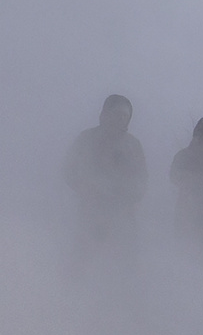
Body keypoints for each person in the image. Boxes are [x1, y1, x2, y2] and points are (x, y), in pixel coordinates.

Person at [63, 94, 147, 258]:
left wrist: (129, 194)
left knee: (124, 261)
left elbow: (142, 179)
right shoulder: (87, 138)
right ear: (105, 114)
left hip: (123, 215)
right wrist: (86, 187)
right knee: (85, 256)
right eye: (117, 114)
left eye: (125, 116)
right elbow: (69, 170)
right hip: (91, 210)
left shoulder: (132, 145)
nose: (120, 119)